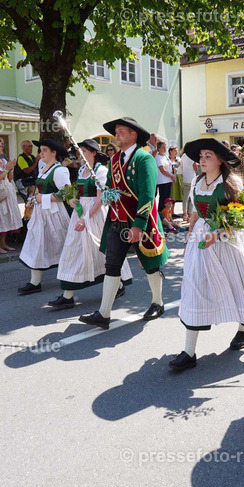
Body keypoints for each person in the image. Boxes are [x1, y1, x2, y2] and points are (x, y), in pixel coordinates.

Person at [168, 138, 244, 372]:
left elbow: (238, 218)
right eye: (201, 156)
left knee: (235, 284)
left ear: (220, 160)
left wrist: (218, 233)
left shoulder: (230, 184)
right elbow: (194, 213)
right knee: (194, 288)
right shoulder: (196, 181)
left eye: (208, 157)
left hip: (224, 243)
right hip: (200, 242)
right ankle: (189, 351)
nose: (202, 160)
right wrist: (189, 237)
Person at [78, 117, 170, 329]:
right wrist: (108, 193)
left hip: (140, 222)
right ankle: (104, 314)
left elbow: (148, 194)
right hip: (117, 220)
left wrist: (138, 225)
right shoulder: (114, 159)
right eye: (116, 132)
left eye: (120, 131)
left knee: (150, 264)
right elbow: (110, 187)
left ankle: (158, 302)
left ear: (133, 134)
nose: (116, 135)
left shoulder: (144, 158)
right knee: (112, 265)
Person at [49, 139, 132, 309]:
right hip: (80, 213)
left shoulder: (101, 171)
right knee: (74, 250)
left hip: (95, 215)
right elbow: (80, 193)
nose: (82, 155)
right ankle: (68, 295)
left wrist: (85, 218)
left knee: (103, 251)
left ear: (94, 153)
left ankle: (118, 284)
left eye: (85, 151)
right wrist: (74, 200)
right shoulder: (82, 169)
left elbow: (100, 200)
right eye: (81, 152)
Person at [17, 139, 72, 295]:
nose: (41, 153)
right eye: (40, 150)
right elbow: (38, 189)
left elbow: (66, 193)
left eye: (44, 150)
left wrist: (44, 199)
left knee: (62, 244)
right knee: (36, 243)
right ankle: (35, 282)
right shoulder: (43, 168)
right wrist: (32, 200)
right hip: (41, 213)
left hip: (55, 214)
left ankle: (70, 278)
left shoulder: (60, 170)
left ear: (54, 153)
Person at [154, 141, 179, 233]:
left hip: (168, 180)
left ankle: (166, 217)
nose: (165, 149)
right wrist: (171, 176)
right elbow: (162, 169)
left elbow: (170, 167)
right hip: (162, 181)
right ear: (159, 148)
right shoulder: (158, 157)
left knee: (167, 199)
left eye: (165, 147)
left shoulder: (165, 156)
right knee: (163, 200)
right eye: (163, 147)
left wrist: (173, 175)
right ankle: (161, 218)